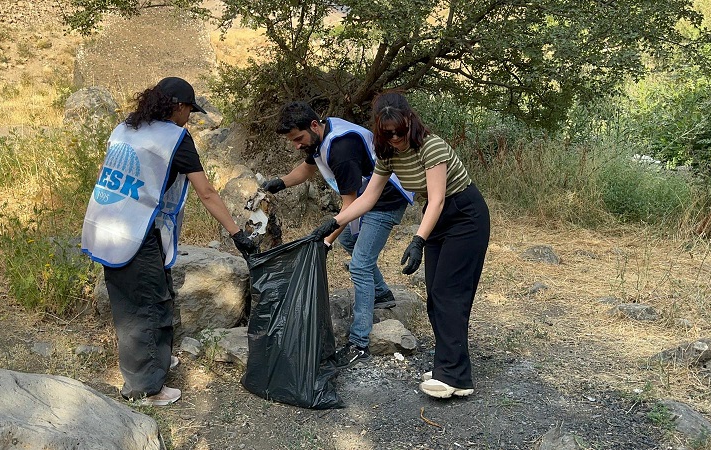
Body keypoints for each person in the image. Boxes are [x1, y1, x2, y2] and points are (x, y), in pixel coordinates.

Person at [81, 77, 258, 406]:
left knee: (144, 296)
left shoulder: (126, 127)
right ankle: (146, 388)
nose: (189, 117)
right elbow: (207, 191)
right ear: (177, 106)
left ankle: (156, 361)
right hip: (132, 230)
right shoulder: (175, 138)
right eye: (189, 110)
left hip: (105, 224)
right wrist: (237, 234)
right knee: (145, 306)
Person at [311, 91, 490, 398]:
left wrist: (418, 240)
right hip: (439, 218)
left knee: (450, 293)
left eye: (399, 132)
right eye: (388, 134)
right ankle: (450, 366)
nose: (395, 138)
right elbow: (368, 197)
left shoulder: (431, 146)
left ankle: (456, 377)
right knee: (436, 293)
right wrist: (335, 223)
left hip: (465, 216)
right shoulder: (388, 154)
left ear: (410, 120)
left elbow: (436, 200)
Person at [261, 101, 414, 369]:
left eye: (298, 139)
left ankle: (359, 342)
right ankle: (382, 294)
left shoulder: (341, 148)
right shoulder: (320, 134)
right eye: (292, 141)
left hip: (386, 198)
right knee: (349, 239)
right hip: (369, 196)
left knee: (360, 265)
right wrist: (281, 182)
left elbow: (349, 206)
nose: (296, 145)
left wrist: (325, 241)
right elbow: (308, 168)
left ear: (313, 125)